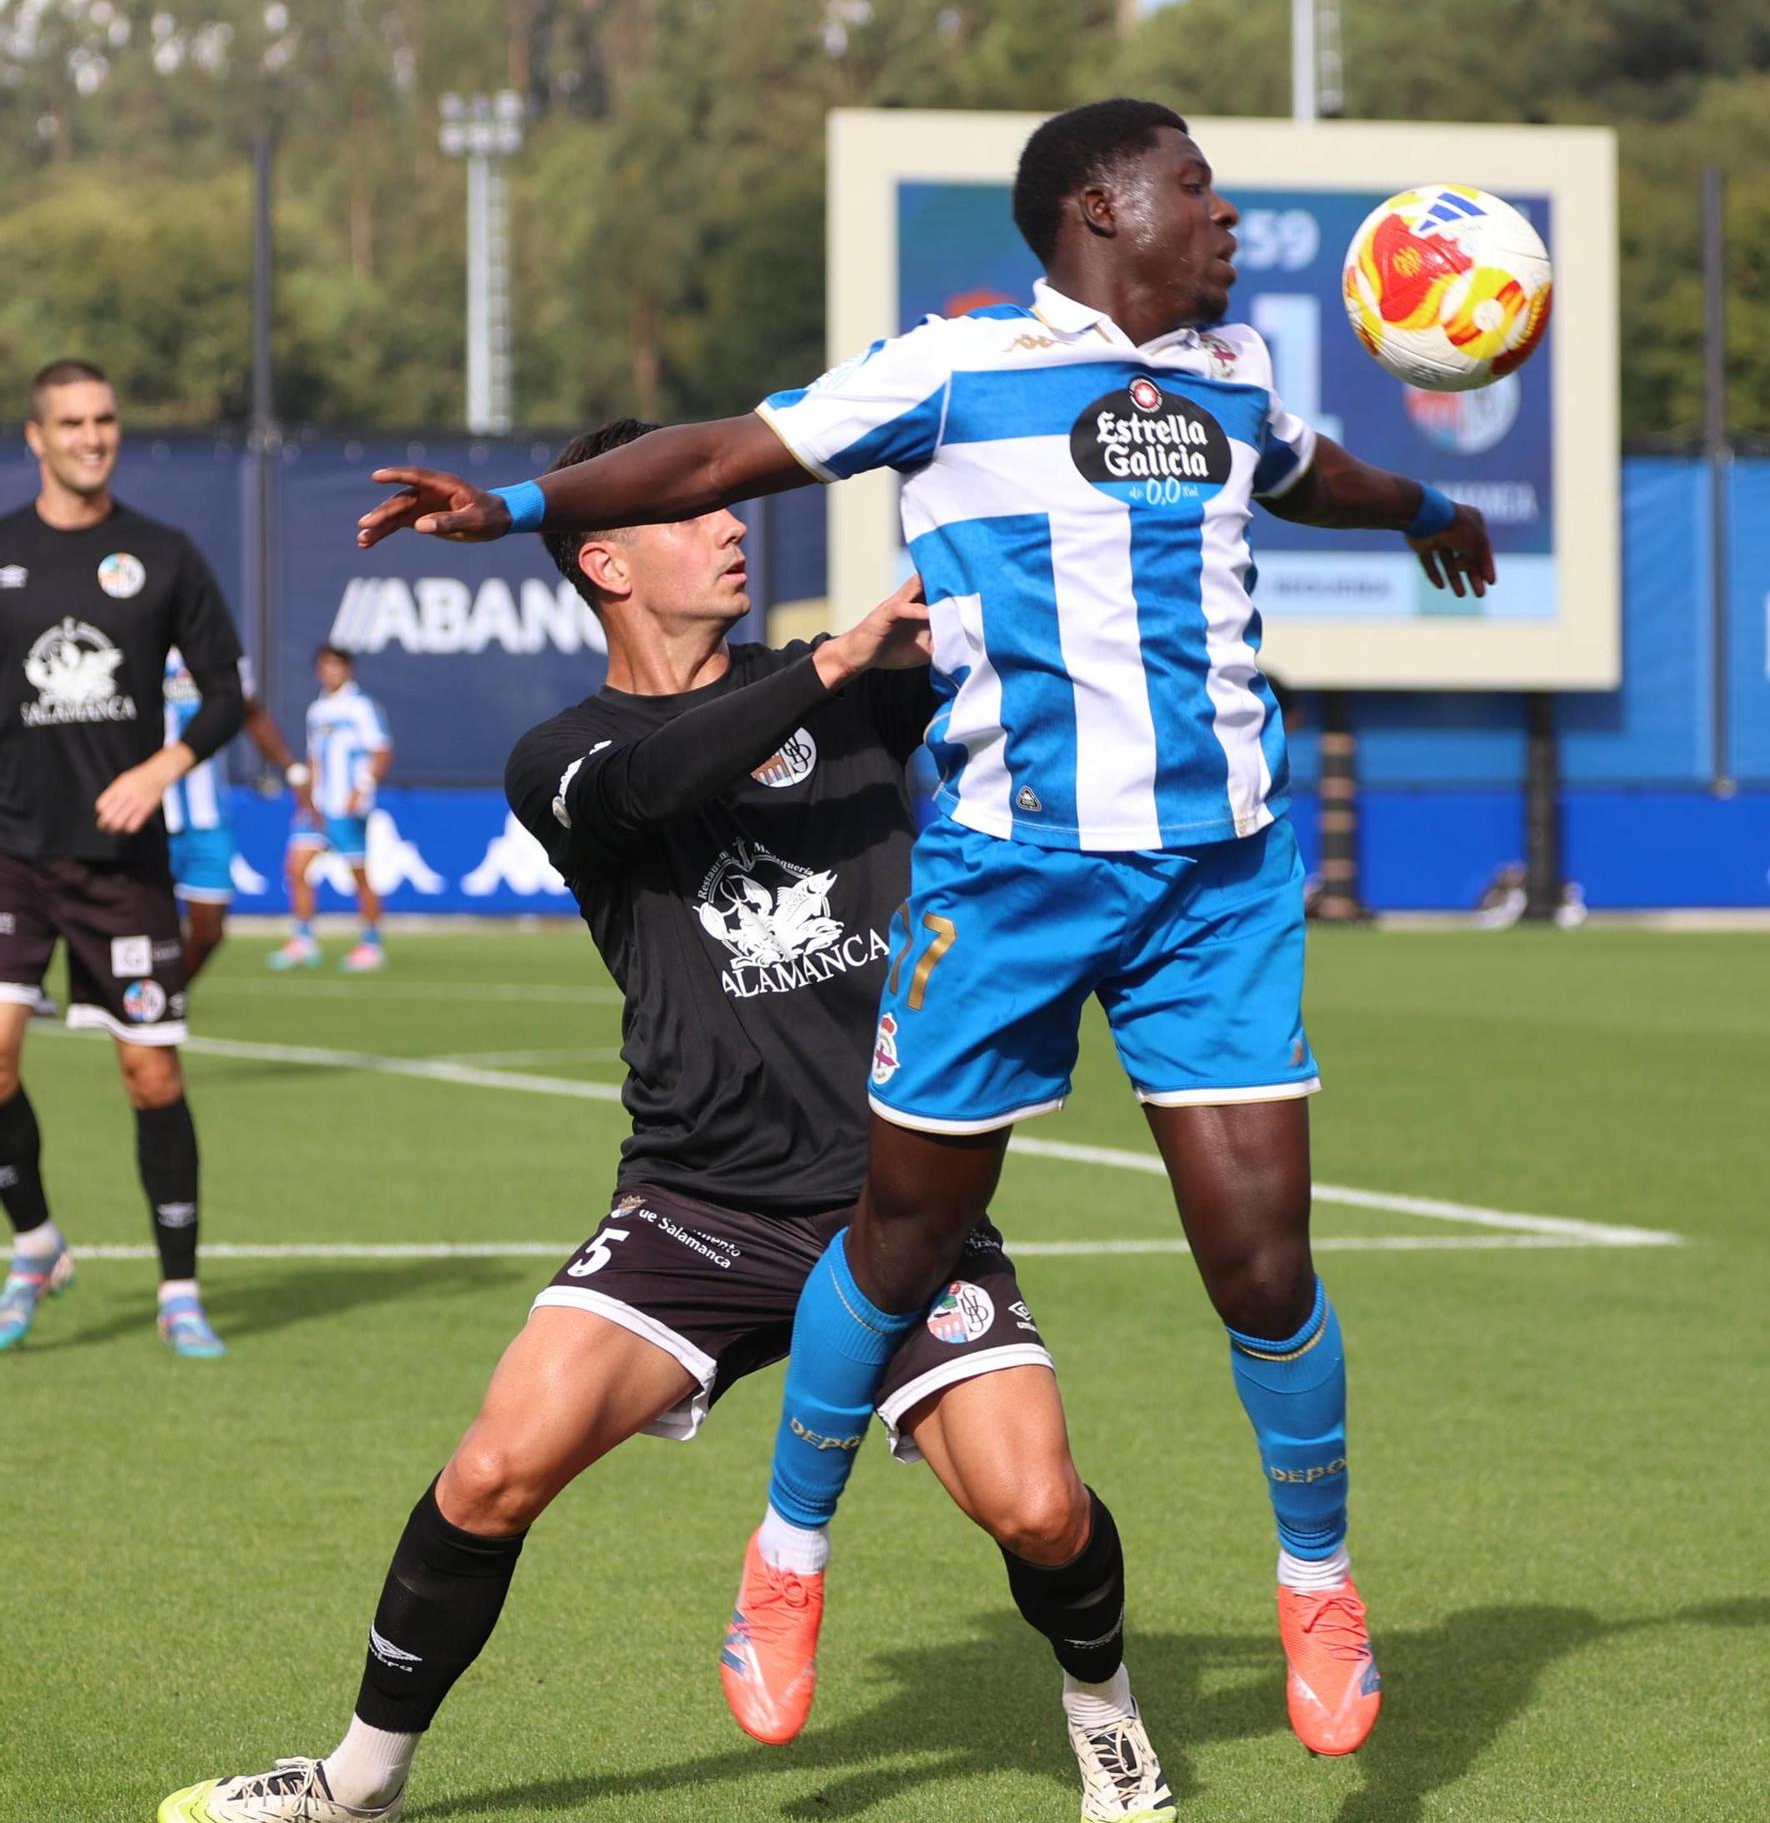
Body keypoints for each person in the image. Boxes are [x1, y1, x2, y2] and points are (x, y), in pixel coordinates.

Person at [356, 98, 1498, 1761]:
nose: (1226, 211)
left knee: (1260, 1270)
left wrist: (1420, 517)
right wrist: (521, 502)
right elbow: (716, 452)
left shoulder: (1239, 372)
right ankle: (784, 1551)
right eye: (1195, 186)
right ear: (1101, 209)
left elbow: (1317, 471)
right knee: (846, 1267)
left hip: (1217, 877)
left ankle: (1314, 1583)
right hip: (999, 896)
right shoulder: (952, 371)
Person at [161, 420, 1173, 1823]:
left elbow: (1047, 642)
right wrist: (832, 661)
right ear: (605, 558)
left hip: (897, 1210)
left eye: (734, 501)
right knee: (493, 1468)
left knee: (1040, 1510)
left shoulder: (866, 685)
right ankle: (359, 1781)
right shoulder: (560, 754)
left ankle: (1103, 1711)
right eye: (692, 511)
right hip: (692, 1210)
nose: (732, 522)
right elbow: (653, 785)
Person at [0, 358, 243, 1357]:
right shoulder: (3, 554)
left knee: (150, 1076)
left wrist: (165, 764)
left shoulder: (164, 553)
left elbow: (228, 691)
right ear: (36, 436)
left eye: (104, 419)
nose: (91, 435)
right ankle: (38, 1244)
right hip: (12, 851)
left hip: (122, 865)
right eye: (71, 422)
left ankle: (178, 1289)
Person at [163, 646, 313, 979]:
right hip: (146, 814)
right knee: (144, 925)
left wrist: (291, 769)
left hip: (209, 816)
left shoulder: (218, 651)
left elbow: (251, 712)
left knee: (210, 931)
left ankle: (170, 995)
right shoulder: (134, 635)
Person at [266, 645, 392, 974]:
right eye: (325, 666)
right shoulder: (317, 710)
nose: (330, 672)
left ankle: (371, 944)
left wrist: (361, 788)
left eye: (336, 666)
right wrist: (306, 797)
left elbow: (380, 751)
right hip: (318, 806)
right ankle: (304, 940)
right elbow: (313, 757)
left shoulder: (362, 707)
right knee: (295, 869)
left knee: (359, 876)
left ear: (348, 670)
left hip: (347, 805)